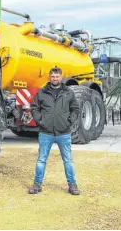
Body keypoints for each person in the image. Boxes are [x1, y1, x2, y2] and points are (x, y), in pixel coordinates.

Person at [28, 66, 81, 195]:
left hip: (64, 132)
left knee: (68, 160)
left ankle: (72, 185)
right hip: (46, 132)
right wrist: (40, 121)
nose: (55, 78)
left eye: (57, 76)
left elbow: (75, 109)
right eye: (53, 76)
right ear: (49, 77)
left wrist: (69, 121)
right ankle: (37, 184)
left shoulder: (68, 92)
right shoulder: (42, 92)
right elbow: (34, 107)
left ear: (61, 77)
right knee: (41, 159)